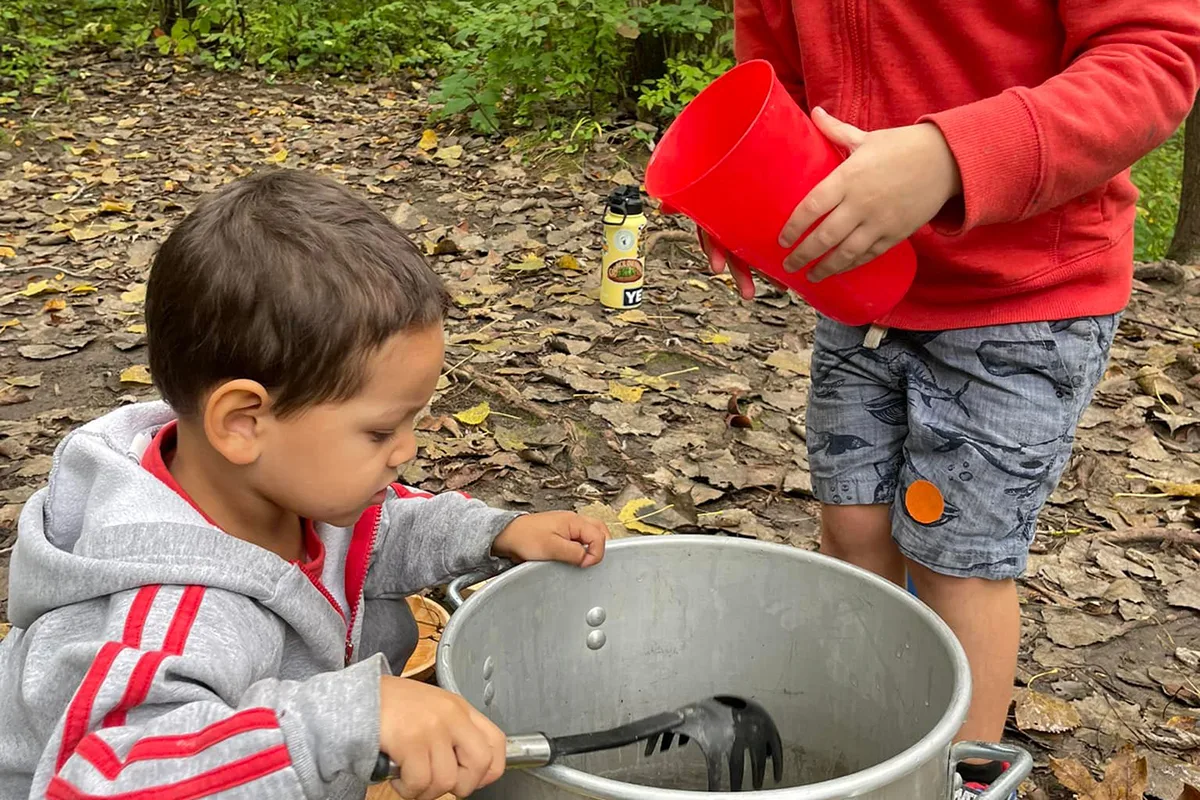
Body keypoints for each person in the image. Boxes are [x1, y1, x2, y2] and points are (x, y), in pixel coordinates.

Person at [701, 1, 1200, 795]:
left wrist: (952, 156)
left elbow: (1152, 54)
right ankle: (866, 744)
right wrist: (755, 182)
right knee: (855, 520)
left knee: (955, 561)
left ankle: (951, 778)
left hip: (1028, 297)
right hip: (861, 285)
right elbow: (778, 67)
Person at [0, 169, 610, 800]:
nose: (408, 450)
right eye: (379, 432)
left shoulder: (282, 490)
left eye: (414, 421)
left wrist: (497, 532)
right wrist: (343, 722)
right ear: (243, 423)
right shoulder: (176, 612)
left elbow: (382, 532)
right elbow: (106, 782)